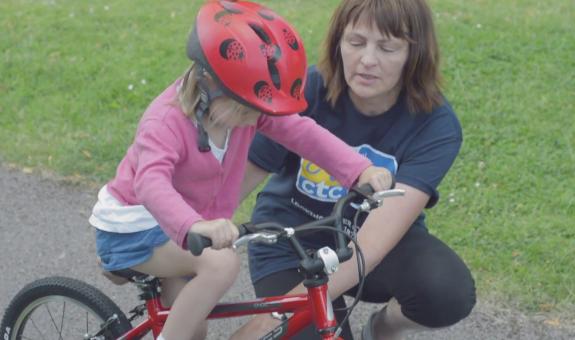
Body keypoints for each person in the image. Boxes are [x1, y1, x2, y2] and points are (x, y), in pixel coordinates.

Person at [88, 1, 392, 340]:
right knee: (221, 264)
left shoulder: (242, 106)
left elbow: (302, 133)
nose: (256, 119)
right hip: (135, 225)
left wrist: (359, 170)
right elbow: (150, 184)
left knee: (192, 329)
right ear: (209, 85)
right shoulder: (165, 123)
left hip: (184, 228)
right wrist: (195, 224)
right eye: (248, 110)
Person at [232, 0, 476, 339]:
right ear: (338, 43)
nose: (367, 61)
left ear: (413, 55)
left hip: (368, 242)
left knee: (446, 290)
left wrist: (271, 318)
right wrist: (178, 237)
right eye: (356, 42)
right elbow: (238, 181)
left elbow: (373, 244)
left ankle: (382, 329)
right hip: (292, 242)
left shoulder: (436, 126)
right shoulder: (307, 89)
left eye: (388, 47)